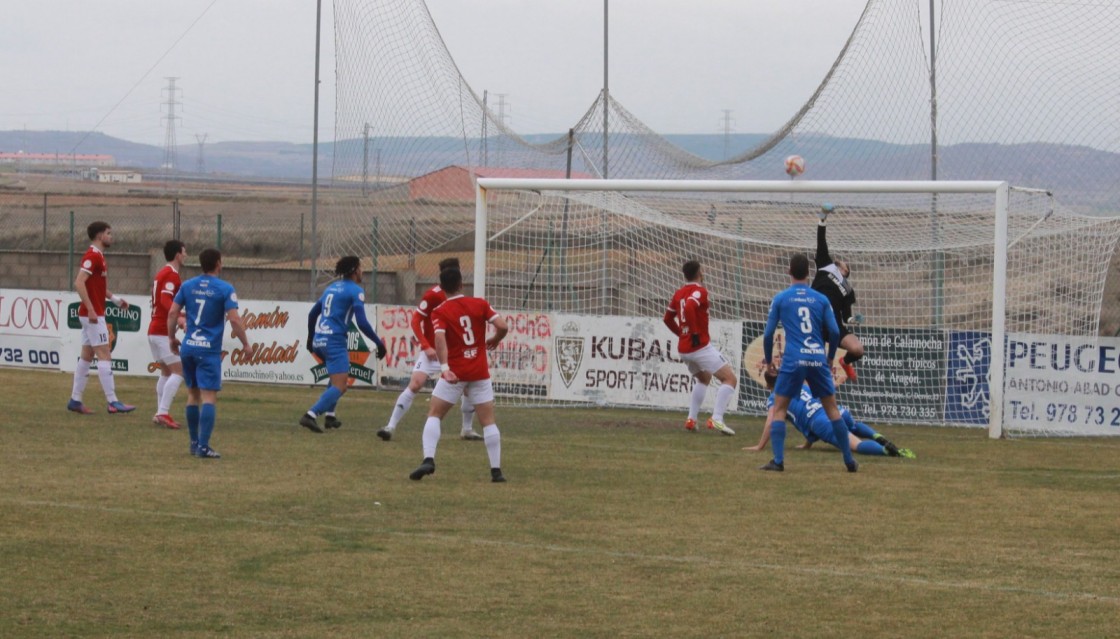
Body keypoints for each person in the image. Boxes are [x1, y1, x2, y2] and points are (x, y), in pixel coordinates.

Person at [408, 267, 509, 483]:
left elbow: (440, 339)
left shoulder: (441, 311)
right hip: (479, 372)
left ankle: (429, 459)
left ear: (442, 288)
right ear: (462, 284)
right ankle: (496, 471)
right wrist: (495, 339)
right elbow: (502, 325)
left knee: (435, 413)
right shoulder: (480, 303)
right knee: (488, 421)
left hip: (455, 373)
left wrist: (445, 368)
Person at [760, 253, 857, 473]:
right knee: (832, 409)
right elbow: (833, 331)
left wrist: (768, 362)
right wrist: (830, 356)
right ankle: (849, 461)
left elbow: (768, 335)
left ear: (789, 272)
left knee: (780, 409)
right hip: (816, 357)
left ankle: (778, 461)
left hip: (794, 359)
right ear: (808, 274)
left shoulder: (781, 298)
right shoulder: (820, 299)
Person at [378, 257, 483, 442]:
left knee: (468, 389)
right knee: (416, 383)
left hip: (455, 354)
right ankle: (390, 426)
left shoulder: (463, 298)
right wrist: (426, 346)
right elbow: (416, 319)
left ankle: (467, 429)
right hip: (433, 352)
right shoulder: (433, 295)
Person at [168, 248, 250, 459]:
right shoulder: (225, 289)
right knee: (209, 397)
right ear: (218, 263)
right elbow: (234, 320)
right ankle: (204, 447)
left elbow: (172, 312)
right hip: (208, 350)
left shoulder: (187, 285)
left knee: (192, 395)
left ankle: (194, 443)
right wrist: (246, 345)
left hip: (188, 347)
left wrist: (171, 337)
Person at [300, 256, 388, 433]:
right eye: (361, 268)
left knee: (335, 379)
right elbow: (362, 323)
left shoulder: (330, 288)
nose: (362, 271)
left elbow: (312, 315)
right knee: (341, 386)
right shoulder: (356, 291)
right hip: (334, 341)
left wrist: (310, 339)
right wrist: (379, 343)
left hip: (320, 339)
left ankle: (330, 416)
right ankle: (310, 415)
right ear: (355, 270)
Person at [745, 372, 915, 459]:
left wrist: (759, 446)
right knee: (853, 426)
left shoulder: (775, 398)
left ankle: (891, 452)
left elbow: (770, 423)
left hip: (822, 422)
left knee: (855, 445)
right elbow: (808, 408)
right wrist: (807, 445)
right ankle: (878, 436)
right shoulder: (802, 386)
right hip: (835, 411)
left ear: (769, 386)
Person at [67, 220, 136, 415]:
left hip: (93, 313)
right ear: (99, 236)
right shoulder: (92, 256)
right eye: (108, 233)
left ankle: (75, 400)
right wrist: (90, 309)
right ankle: (113, 401)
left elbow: (97, 286)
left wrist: (114, 299)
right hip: (93, 315)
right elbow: (79, 283)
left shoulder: (99, 257)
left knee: (87, 356)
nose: (111, 236)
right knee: (104, 354)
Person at [662, 260, 737, 435]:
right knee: (730, 379)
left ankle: (691, 419)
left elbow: (667, 319)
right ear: (699, 273)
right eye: (702, 270)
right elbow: (689, 306)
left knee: (703, 378)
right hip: (699, 347)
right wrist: (694, 333)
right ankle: (717, 419)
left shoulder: (679, 292)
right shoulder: (700, 291)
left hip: (684, 349)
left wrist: (682, 334)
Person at [812, 203, 864, 381]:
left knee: (857, 349)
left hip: (834, 326)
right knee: (814, 366)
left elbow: (846, 318)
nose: (841, 262)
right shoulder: (825, 264)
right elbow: (821, 238)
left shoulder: (848, 290)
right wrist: (823, 216)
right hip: (816, 320)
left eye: (844, 264)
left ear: (846, 271)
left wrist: (854, 320)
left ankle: (845, 362)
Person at [148, 240, 187, 429]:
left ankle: (159, 413)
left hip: (154, 329)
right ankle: (163, 412)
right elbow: (165, 299)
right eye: (184, 252)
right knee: (180, 371)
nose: (186, 256)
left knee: (166, 372)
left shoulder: (161, 273)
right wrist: (179, 318)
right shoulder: (172, 275)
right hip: (162, 330)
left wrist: (179, 315)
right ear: (178, 255)